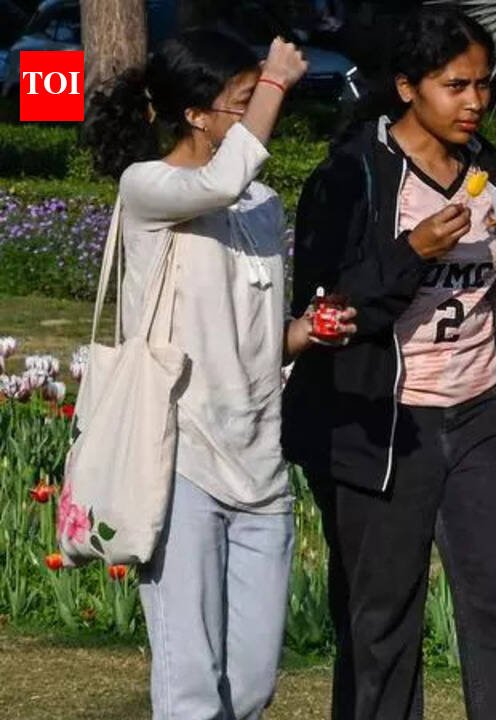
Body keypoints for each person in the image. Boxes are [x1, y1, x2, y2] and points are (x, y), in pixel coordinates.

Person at [281, 5, 496, 719]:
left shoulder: (488, 168)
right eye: (455, 86)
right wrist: (412, 253)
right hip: (383, 423)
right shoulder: (353, 175)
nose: (475, 102)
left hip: (482, 411)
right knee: (380, 620)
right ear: (407, 87)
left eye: (483, 84)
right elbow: (326, 313)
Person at [83, 29, 354, 719]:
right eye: (243, 100)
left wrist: (307, 332)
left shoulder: (261, 206)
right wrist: (277, 80)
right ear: (196, 114)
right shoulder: (149, 188)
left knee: (252, 685)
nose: (259, 113)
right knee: (192, 687)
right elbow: (218, 182)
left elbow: (255, 335)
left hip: (259, 463)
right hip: (181, 460)